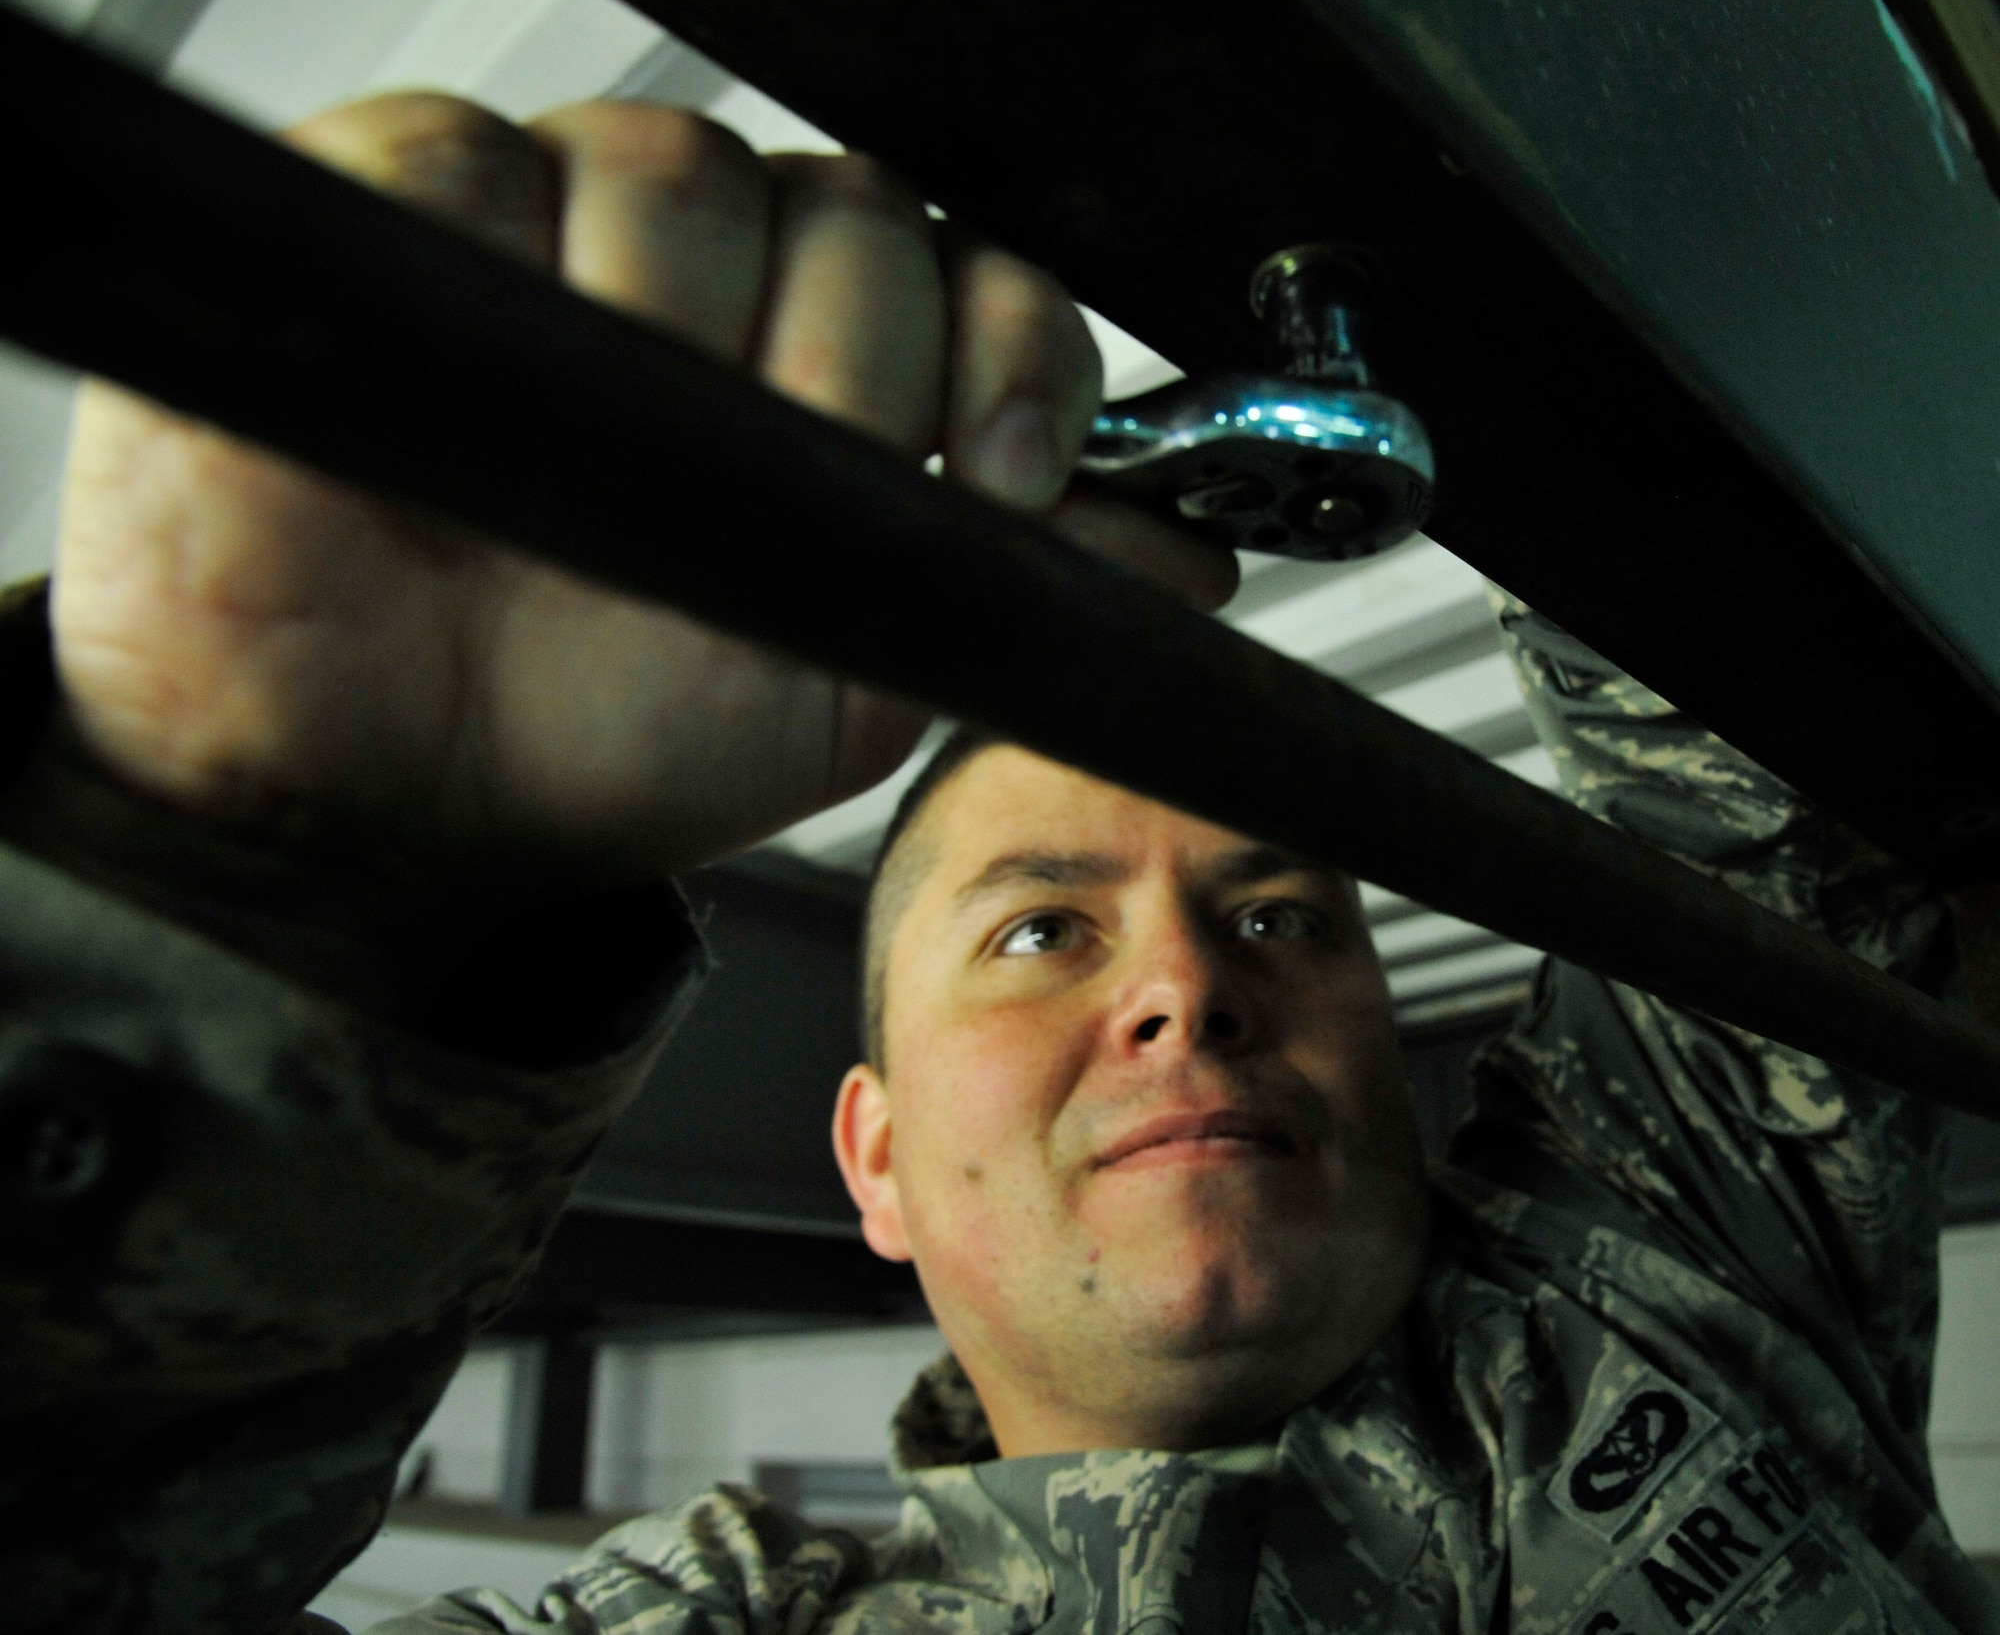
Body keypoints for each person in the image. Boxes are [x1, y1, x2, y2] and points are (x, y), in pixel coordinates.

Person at [2, 90, 1994, 1635]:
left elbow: (1754, 764)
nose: (1187, 986)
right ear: (867, 1155)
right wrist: (260, 903)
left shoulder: (1684, 1245)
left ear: (1396, 1052)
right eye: (1042, 928)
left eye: (1280, 918)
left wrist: (1505, 274)